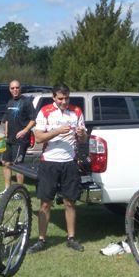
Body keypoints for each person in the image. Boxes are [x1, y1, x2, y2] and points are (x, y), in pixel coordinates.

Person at [28, 83, 87, 253]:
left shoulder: (76, 111)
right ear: (54, 97)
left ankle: (71, 238)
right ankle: (41, 239)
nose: (64, 101)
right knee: (45, 203)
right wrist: (58, 131)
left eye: (66, 98)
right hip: (50, 162)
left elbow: (83, 139)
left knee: (70, 202)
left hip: (69, 161)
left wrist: (82, 135)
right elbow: (39, 137)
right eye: (60, 98)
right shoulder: (45, 111)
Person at [0, 80, 36, 198]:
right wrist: (5, 131)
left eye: (17, 87)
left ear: (20, 88)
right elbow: (6, 118)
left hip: (21, 140)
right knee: (5, 163)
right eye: (12, 88)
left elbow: (33, 120)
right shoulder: (10, 102)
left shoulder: (26, 102)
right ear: (9, 89)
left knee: (18, 165)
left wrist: (24, 131)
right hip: (9, 139)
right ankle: (7, 190)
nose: (15, 90)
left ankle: (19, 192)